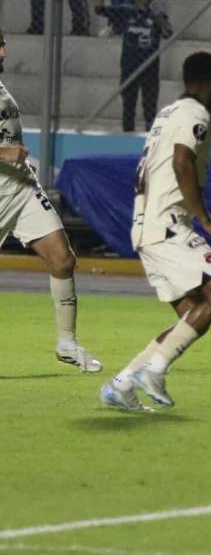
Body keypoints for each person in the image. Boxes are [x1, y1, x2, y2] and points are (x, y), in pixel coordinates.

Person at [101, 52, 211, 411]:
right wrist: (206, 220)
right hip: (168, 224)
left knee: (193, 317)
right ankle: (155, 369)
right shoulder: (195, 114)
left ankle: (122, 382)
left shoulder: (166, 113)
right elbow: (181, 162)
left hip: (144, 227)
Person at [0, 30, 101, 373]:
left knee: (63, 258)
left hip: (23, 189)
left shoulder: (2, 91)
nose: (2, 51)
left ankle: (67, 343)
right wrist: (5, 152)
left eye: (2, 44)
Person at [94, 0, 172, 133]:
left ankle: (150, 139)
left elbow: (167, 33)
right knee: (128, 108)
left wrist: (159, 22)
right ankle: (127, 137)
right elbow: (99, 9)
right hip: (129, 66)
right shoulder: (126, 11)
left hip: (149, 68)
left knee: (150, 109)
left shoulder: (157, 15)